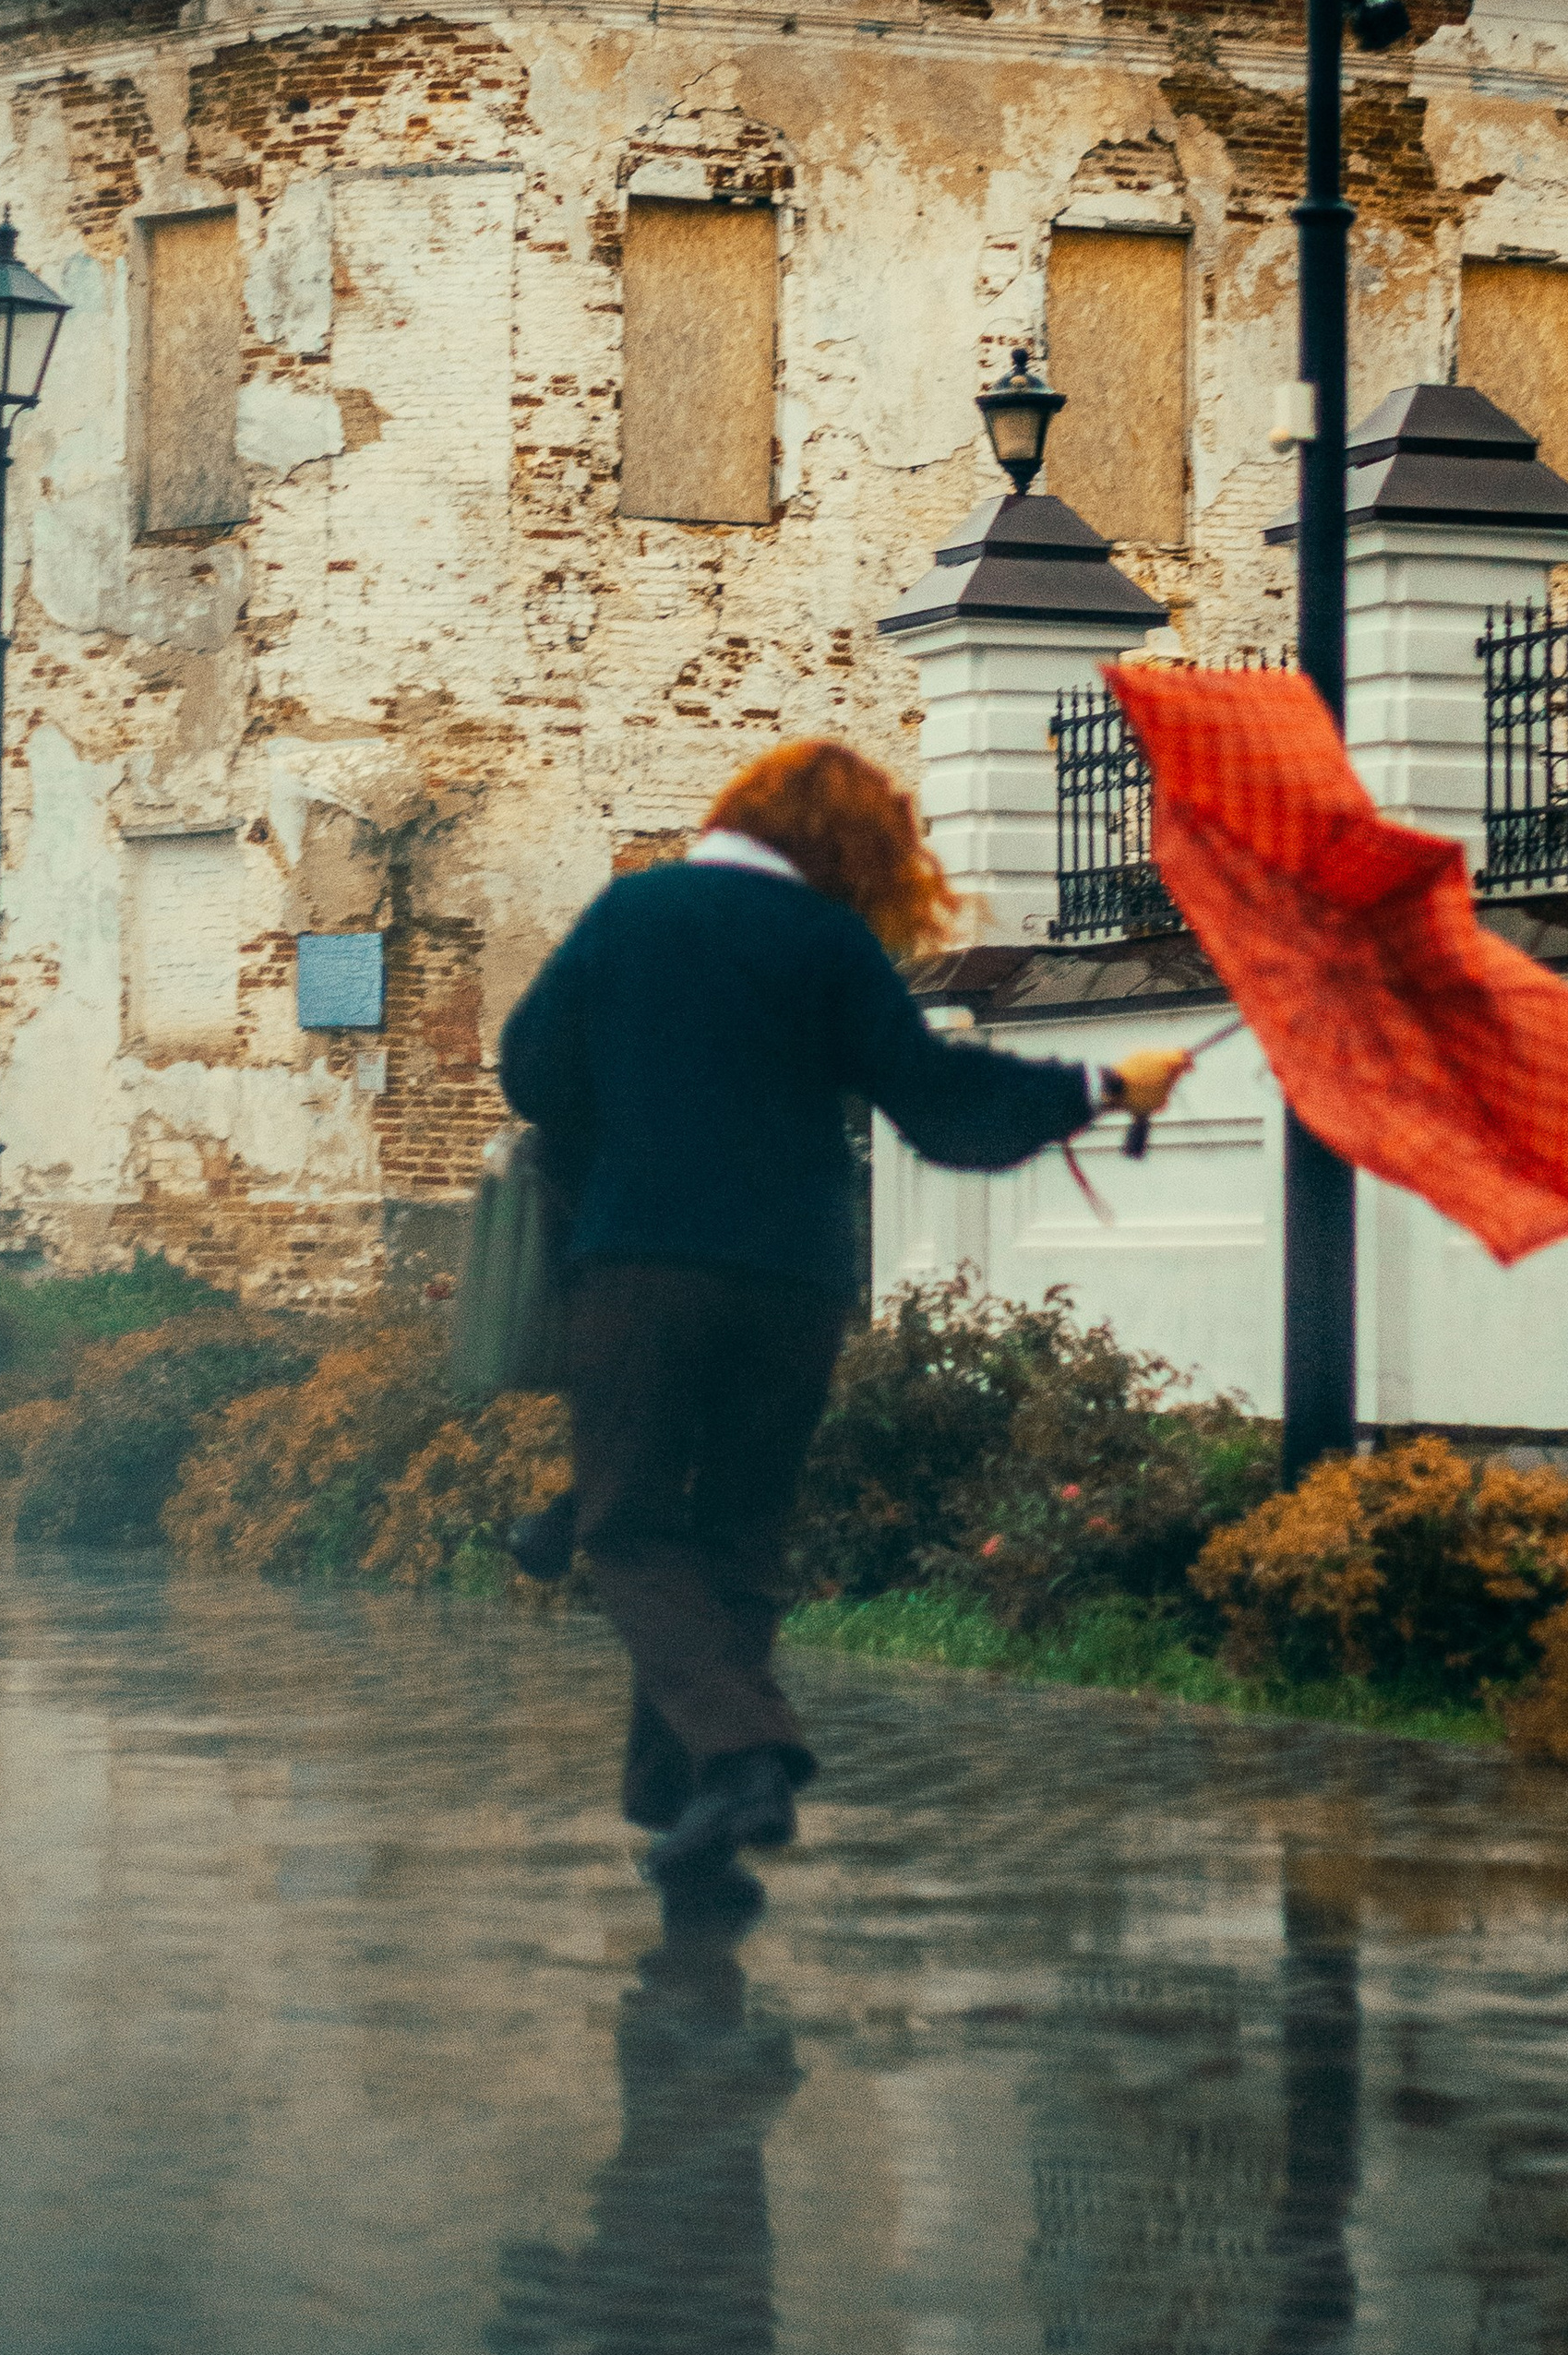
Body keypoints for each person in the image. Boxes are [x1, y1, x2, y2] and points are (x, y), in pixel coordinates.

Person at [497, 737, 1190, 1898]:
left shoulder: (633, 916)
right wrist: (1101, 1085)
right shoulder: (830, 945)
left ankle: (740, 1751)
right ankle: (694, 1815)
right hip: (795, 1283)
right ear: (848, 852)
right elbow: (941, 1104)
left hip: (646, 1271)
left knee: (623, 1529)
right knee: (735, 1537)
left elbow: (531, 1073)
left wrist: (620, 1129)